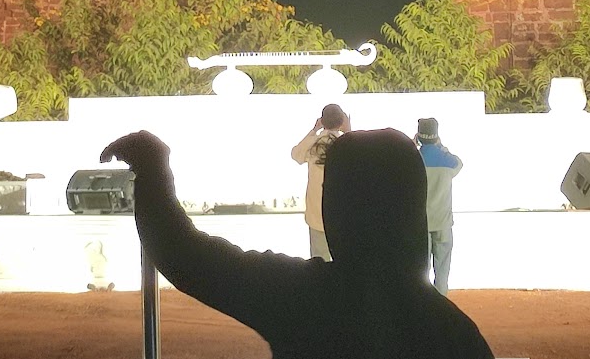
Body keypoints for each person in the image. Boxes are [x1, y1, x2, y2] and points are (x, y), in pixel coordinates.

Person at [102, 128, 492, 359]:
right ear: (413, 207)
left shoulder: (303, 297)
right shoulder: (452, 332)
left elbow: (184, 255)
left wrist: (154, 170)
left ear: (336, 210)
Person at [290, 103, 347, 259]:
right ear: (342, 121)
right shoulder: (346, 143)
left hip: (316, 210)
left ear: (322, 120)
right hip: (341, 212)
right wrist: (349, 131)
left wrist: (314, 130)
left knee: (319, 259)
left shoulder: (314, 142)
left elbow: (296, 154)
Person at [414, 117, 463, 293]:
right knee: (442, 272)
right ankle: (442, 303)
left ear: (419, 135)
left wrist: (413, 146)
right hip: (443, 222)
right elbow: (459, 163)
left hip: (421, 225)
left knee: (421, 272)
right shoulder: (447, 161)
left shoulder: (414, 159)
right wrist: (441, 146)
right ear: (436, 136)